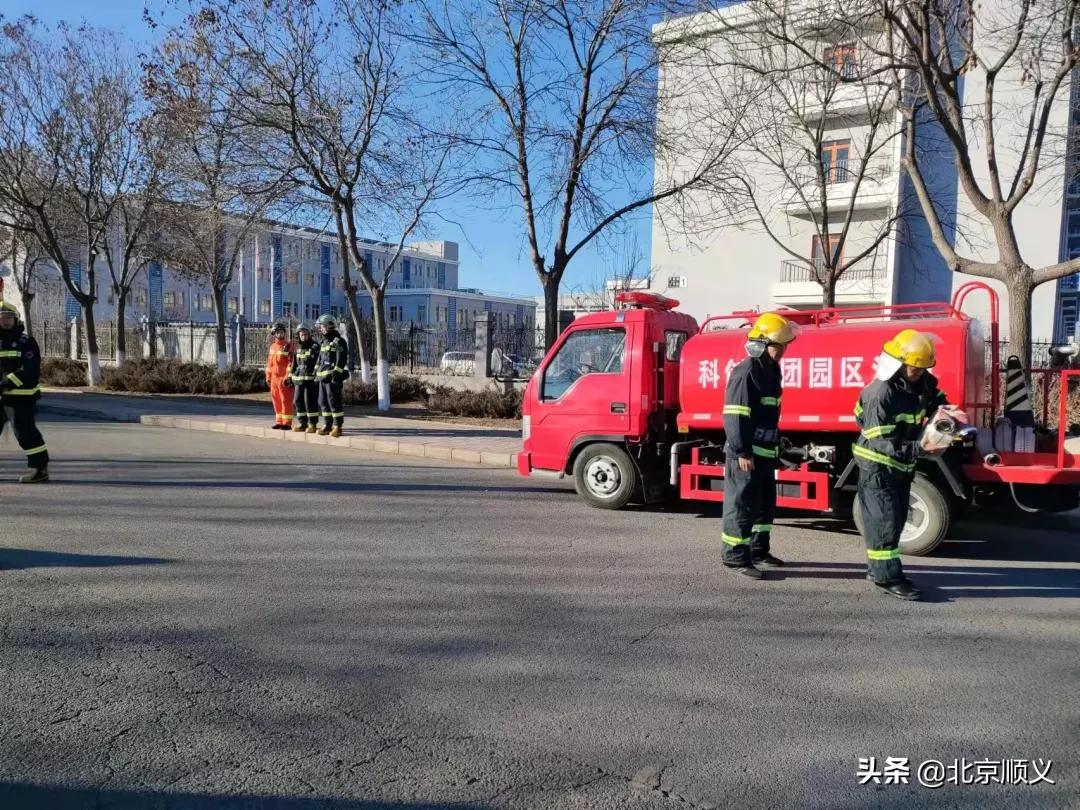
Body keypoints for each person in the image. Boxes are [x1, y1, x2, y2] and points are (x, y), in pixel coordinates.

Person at [854, 329, 961, 601]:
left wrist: (948, 410)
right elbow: (882, 442)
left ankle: (878, 570)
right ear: (899, 364)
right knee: (885, 522)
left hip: (900, 465)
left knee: (898, 518)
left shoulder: (920, 380)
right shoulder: (879, 393)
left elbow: (935, 396)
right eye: (914, 369)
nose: (919, 373)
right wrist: (920, 449)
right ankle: (887, 577)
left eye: (922, 369)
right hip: (877, 466)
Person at [721, 312, 798, 578]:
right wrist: (742, 450)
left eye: (785, 345)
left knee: (764, 505)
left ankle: (758, 551)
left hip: (765, 454)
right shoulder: (747, 371)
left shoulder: (771, 370)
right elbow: (735, 414)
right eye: (779, 345)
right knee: (742, 505)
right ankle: (735, 557)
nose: (784, 350)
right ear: (763, 343)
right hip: (747, 455)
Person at [0, 302, 49, 483]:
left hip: (21, 397)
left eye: (8, 318)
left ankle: (40, 469)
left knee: (25, 433)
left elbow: (30, 370)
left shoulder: (25, 342)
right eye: (2, 318)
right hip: (1, 396)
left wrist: (5, 383)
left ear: (16, 320)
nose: (5, 321)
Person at [315, 314, 349, 437]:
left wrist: (336, 373)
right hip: (322, 379)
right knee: (322, 402)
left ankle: (337, 426)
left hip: (332, 379)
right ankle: (327, 424)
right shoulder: (323, 342)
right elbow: (320, 360)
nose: (321, 329)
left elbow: (342, 358)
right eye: (320, 326)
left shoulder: (338, 341)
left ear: (330, 326)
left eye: (323, 326)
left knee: (334, 402)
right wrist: (316, 373)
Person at [265, 322, 296, 430]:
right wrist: (268, 377)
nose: (280, 334)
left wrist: (288, 377)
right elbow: (269, 364)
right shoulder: (273, 347)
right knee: (276, 400)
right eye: (277, 332)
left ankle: (287, 422)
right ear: (274, 334)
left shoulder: (288, 346)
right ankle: (279, 421)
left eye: (281, 332)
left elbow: (291, 363)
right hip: (274, 379)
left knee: (285, 400)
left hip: (284, 379)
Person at [290, 323, 320, 433]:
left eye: (306, 334)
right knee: (297, 401)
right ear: (298, 335)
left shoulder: (315, 346)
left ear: (309, 335)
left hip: (311, 381)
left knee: (310, 402)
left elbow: (318, 362)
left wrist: (316, 376)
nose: (304, 336)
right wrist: (290, 376)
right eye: (302, 334)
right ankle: (302, 423)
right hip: (299, 380)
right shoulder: (297, 347)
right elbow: (294, 364)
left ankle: (312, 424)